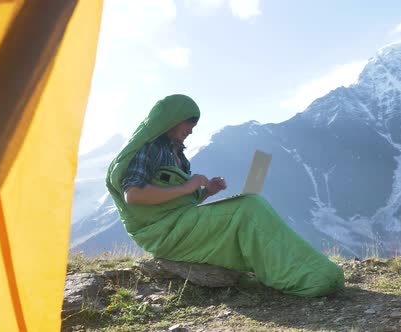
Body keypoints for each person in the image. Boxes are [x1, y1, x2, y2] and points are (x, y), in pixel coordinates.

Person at [106, 94, 344, 296]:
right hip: (163, 233)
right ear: (171, 119)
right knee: (249, 208)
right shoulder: (149, 149)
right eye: (188, 123)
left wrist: (206, 193)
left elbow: (174, 202)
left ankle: (306, 271)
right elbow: (134, 195)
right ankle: (308, 278)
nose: (190, 130)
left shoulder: (175, 153)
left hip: (178, 224)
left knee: (251, 204)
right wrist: (188, 187)